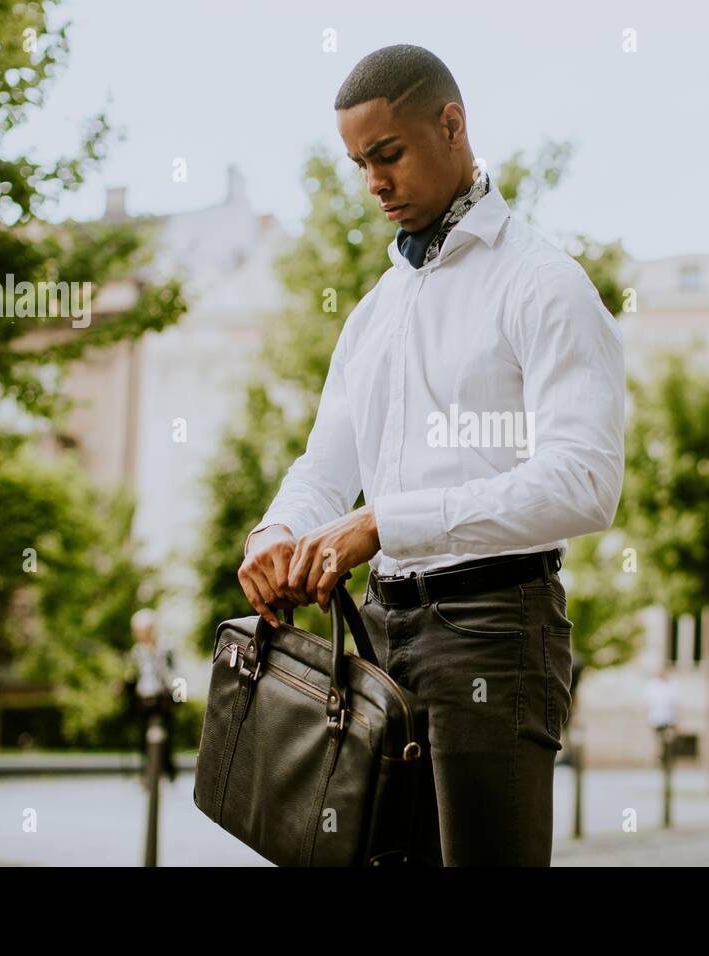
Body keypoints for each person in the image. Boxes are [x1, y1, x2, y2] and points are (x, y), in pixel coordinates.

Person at [236, 44, 625, 867]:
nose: (374, 183)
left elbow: (586, 483)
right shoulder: (373, 313)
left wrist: (383, 523)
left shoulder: (543, 283)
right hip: (376, 636)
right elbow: (325, 465)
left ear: (452, 125)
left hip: (493, 629)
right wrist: (275, 537)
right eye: (358, 163)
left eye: (389, 155)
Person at [126, 608, 176, 784]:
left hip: (161, 697)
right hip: (143, 697)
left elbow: (173, 673)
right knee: (143, 737)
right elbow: (133, 674)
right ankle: (145, 773)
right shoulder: (137, 651)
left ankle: (168, 773)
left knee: (166, 737)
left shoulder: (165, 648)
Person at [644, 666, 679, 766]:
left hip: (668, 719)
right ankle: (660, 758)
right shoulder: (652, 685)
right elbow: (646, 704)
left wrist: (677, 720)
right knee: (658, 741)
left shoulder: (672, 685)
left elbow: (676, 704)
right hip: (655, 719)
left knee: (668, 741)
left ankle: (667, 759)